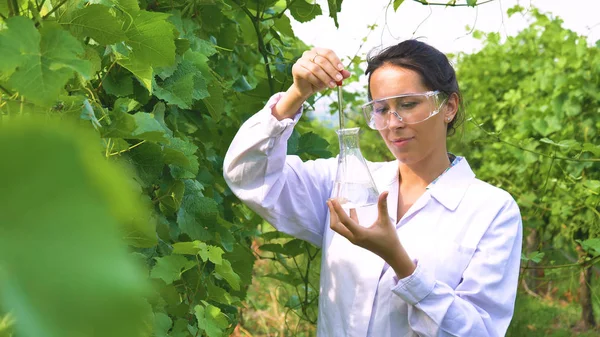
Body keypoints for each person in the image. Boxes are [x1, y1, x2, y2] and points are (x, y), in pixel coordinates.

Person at [223, 40, 523, 337]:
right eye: (381, 109)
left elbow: (479, 330)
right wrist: (297, 93)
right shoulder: (343, 182)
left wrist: (400, 262)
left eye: (408, 104)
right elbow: (247, 175)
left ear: (449, 106)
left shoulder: (492, 210)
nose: (393, 123)